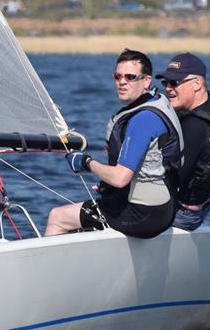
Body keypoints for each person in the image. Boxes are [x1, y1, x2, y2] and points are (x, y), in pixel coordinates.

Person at [45, 49, 183, 239]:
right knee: (92, 210)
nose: (122, 82)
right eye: (117, 76)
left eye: (130, 77)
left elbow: (120, 178)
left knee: (58, 217)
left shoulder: (143, 119)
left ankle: (48, 267)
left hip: (143, 214)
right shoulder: (159, 101)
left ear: (146, 81)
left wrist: (86, 163)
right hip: (164, 208)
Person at [155, 53, 210, 231]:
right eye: (165, 83)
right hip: (202, 206)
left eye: (175, 83)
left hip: (181, 215)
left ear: (197, 84)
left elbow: (166, 180)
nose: (168, 88)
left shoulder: (194, 127)